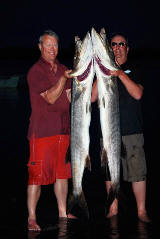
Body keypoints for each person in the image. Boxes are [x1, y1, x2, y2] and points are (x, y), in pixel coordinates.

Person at [92, 33, 151, 223]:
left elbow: (138, 94)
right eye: (114, 44)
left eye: (121, 44)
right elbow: (92, 98)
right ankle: (113, 207)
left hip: (132, 131)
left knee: (137, 173)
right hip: (108, 133)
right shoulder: (103, 71)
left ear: (127, 48)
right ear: (110, 49)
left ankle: (141, 211)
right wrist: (101, 71)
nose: (117, 47)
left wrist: (119, 73)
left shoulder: (135, 68)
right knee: (109, 172)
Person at [27, 30, 75, 231]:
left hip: (64, 131)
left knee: (63, 175)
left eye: (55, 45)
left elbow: (71, 97)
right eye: (48, 45)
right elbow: (50, 98)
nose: (52, 49)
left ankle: (63, 212)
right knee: (36, 177)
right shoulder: (35, 71)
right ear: (40, 47)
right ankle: (31, 217)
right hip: (43, 133)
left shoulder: (64, 68)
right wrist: (64, 79)